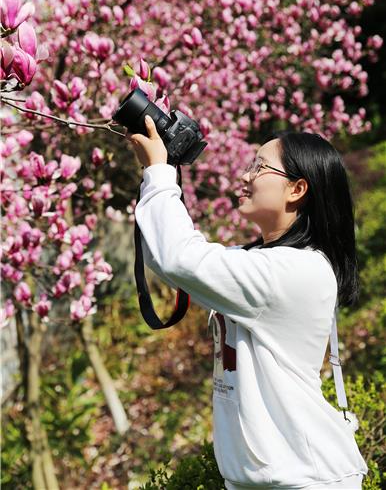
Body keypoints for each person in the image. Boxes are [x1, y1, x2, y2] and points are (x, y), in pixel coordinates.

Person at [129, 115, 368, 490]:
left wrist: (159, 173)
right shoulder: (268, 260)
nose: (244, 176)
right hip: (273, 478)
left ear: (296, 189)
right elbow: (169, 256)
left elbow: (180, 258)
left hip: (305, 480)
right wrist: (157, 173)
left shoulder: (292, 271)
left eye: (259, 167)